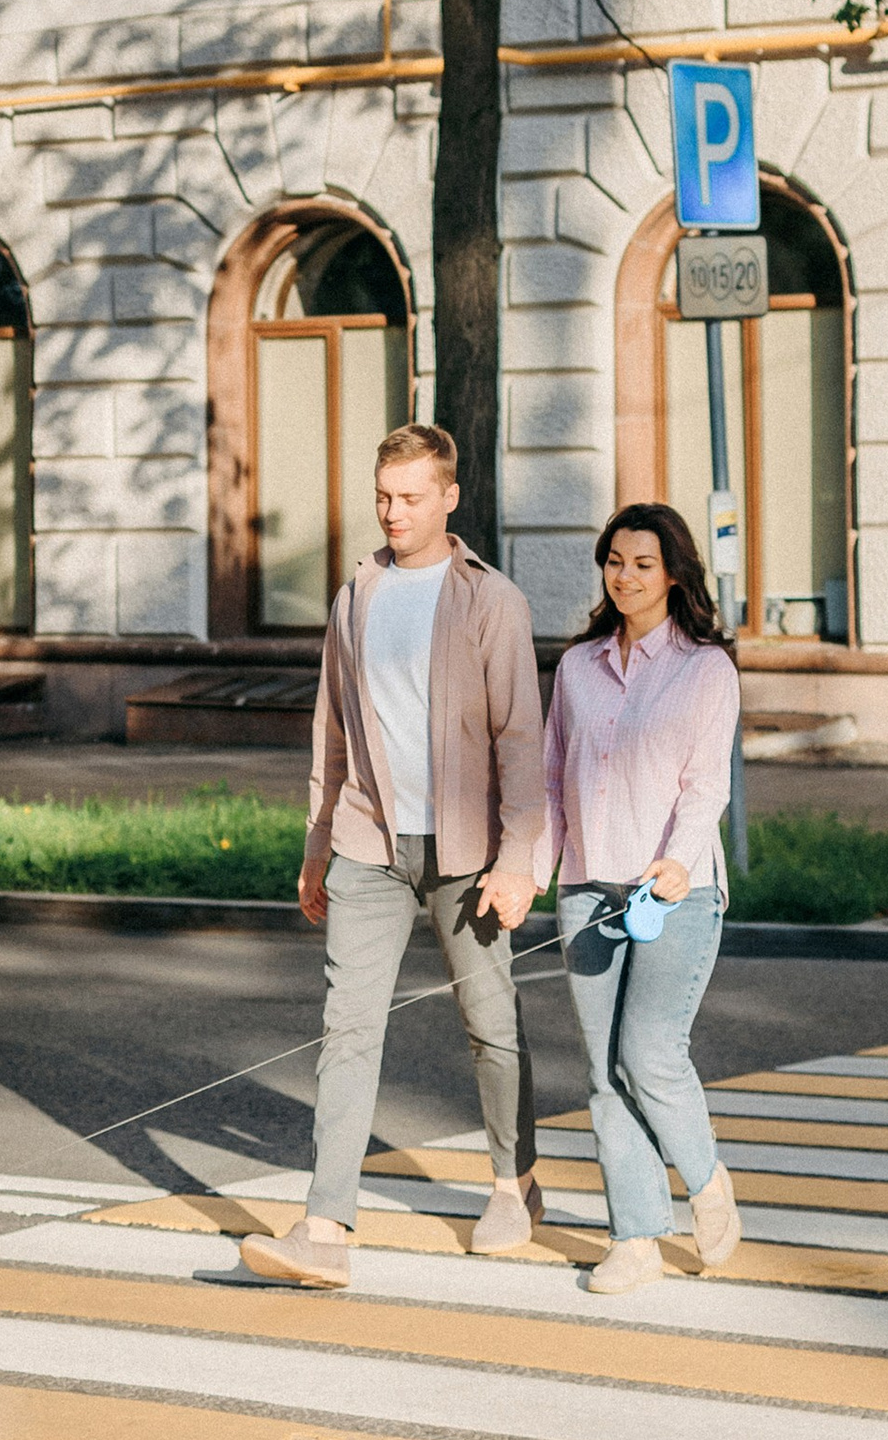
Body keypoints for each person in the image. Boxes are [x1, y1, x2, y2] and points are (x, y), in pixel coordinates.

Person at [242, 420, 546, 1295]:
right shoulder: (356, 597)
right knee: (347, 1030)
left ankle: (511, 1184)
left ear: (450, 498)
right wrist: (316, 845)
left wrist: (518, 857)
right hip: (369, 842)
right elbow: (329, 735)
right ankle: (325, 1226)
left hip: (467, 851)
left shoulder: (492, 600)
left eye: (412, 498)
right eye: (383, 497)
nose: (394, 512)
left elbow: (521, 741)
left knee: (490, 1023)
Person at [540, 501, 742, 1296]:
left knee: (648, 1053)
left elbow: (706, 786)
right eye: (615, 562)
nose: (625, 577)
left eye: (643, 564)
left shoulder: (705, 668)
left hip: (674, 893)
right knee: (602, 1072)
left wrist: (678, 861)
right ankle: (634, 1238)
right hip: (588, 886)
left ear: (675, 573)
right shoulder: (579, 666)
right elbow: (552, 779)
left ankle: (707, 1180)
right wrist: (533, 870)